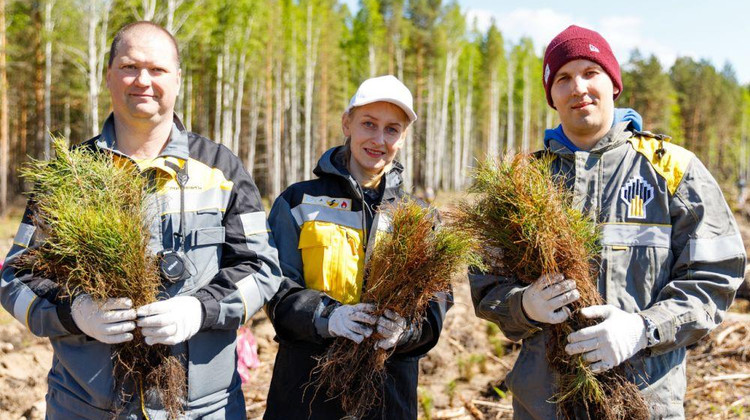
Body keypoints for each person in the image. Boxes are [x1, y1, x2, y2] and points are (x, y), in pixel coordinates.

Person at [0, 21, 283, 419]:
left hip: (203, 410)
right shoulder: (71, 175)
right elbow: (15, 277)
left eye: (158, 69)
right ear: (109, 75)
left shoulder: (221, 169)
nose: (143, 81)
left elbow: (262, 270)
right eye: (130, 67)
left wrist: (200, 310)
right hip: (84, 407)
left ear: (178, 79)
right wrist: (74, 312)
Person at [470, 25, 745, 419]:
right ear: (552, 95)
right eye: (563, 78)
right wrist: (523, 306)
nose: (578, 88)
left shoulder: (671, 168)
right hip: (544, 406)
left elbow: (716, 275)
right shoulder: (522, 182)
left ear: (613, 83)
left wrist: (642, 329)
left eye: (590, 73)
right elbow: (486, 285)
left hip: (645, 402)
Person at [264, 75, 451, 419]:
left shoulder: (421, 217)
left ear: (403, 138)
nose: (379, 139)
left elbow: (436, 305)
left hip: (387, 395)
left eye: (392, 129)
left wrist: (405, 331)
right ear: (346, 123)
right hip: (305, 393)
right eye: (368, 124)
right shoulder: (298, 201)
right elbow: (275, 288)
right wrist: (327, 316)